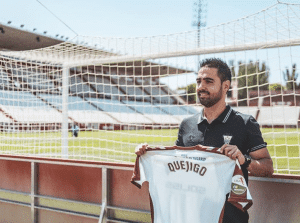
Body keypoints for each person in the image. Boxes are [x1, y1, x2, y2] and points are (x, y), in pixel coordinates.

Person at [135, 58, 274, 223]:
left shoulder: (245, 123)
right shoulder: (187, 125)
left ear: (226, 86)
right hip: (192, 216)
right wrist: (148, 154)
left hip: (230, 219)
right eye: (198, 81)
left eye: (208, 81)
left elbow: (267, 167)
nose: (201, 86)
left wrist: (244, 160)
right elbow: (176, 168)